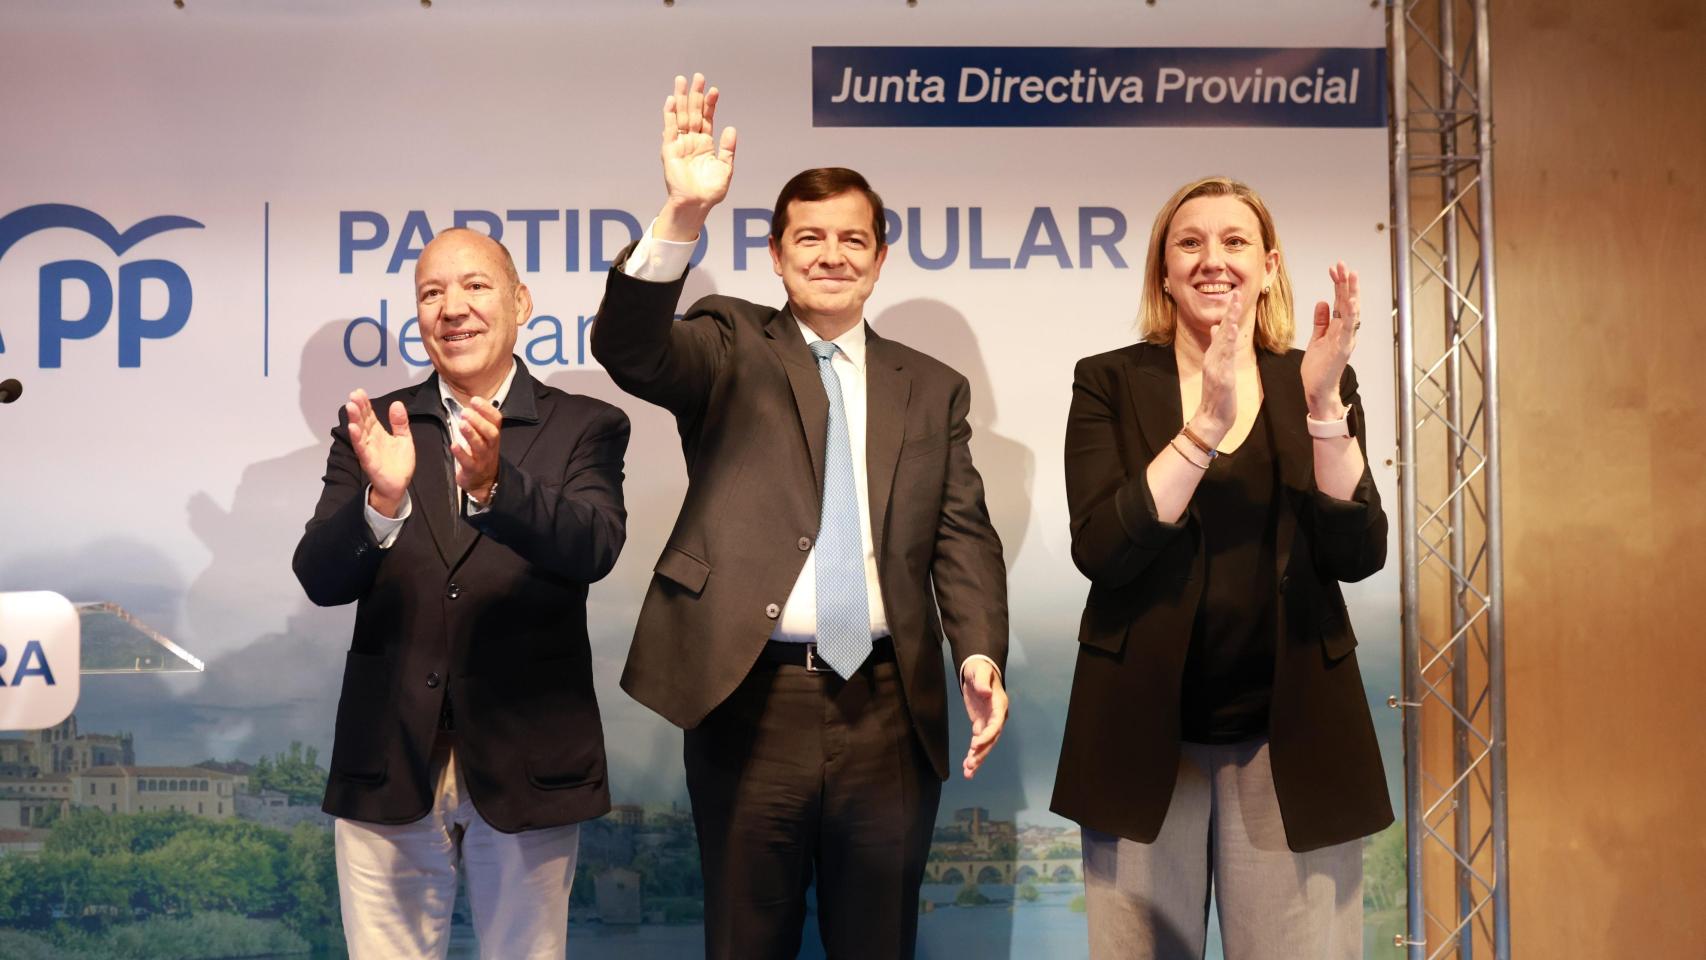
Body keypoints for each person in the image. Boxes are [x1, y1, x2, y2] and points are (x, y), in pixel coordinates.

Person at [591, 74, 1010, 959]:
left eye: (853, 239)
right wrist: (683, 212)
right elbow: (630, 349)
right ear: (776, 256)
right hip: (751, 698)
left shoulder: (933, 388)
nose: (831, 255)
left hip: (888, 708)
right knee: (747, 941)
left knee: (878, 944)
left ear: (880, 258)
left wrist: (978, 652)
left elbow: (961, 536)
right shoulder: (730, 342)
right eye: (809, 238)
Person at [1050, 176, 1391, 959]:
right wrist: (1204, 426)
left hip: (1292, 738)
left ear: (1268, 267)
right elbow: (1103, 548)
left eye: (1235, 241)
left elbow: (1358, 552)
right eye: (1190, 243)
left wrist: (1324, 409)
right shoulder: (1108, 380)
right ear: (1164, 272)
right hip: (1142, 736)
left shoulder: (1314, 378)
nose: (1213, 259)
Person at [293, 228, 629, 959]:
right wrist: (381, 503)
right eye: (431, 293)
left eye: (475, 286)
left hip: (528, 757)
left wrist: (497, 487)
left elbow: (594, 546)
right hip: (389, 756)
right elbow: (320, 576)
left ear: (521, 302)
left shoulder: (585, 425)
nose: (453, 308)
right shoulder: (375, 429)